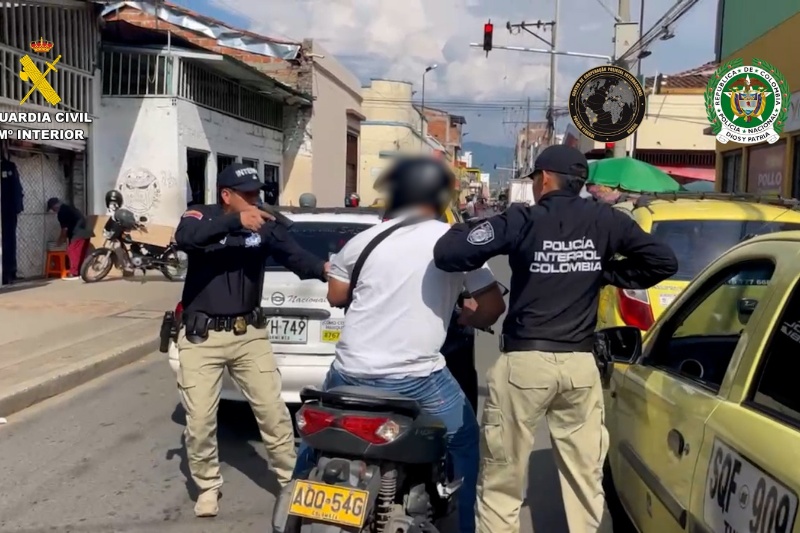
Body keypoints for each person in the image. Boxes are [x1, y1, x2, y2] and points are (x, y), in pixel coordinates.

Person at [432, 145, 679, 533]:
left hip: (524, 365)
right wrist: (604, 273)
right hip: (580, 367)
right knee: (585, 480)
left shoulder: (522, 220)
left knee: (502, 482)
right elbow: (663, 261)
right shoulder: (605, 220)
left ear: (544, 178)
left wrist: (466, 227)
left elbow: (449, 252)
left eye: (534, 178)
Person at [289, 156, 506, 533]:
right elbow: (492, 307)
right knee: (465, 440)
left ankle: (298, 495)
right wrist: (468, 317)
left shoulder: (365, 240)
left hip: (349, 371)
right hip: (417, 379)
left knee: (315, 440)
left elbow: (336, 295)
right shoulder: (455, 243)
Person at [173, 163, 330, 518]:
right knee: (199, 421)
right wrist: (235, 221)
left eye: (257, 193)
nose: (255, 200)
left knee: (273, 414)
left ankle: (291, 482)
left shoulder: (265, 225)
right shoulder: (200, 216)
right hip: (202, 336)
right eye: (247, 195)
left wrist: (325, 270)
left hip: (249, 336)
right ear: (226, 195)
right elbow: (186, 239)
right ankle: (208, 486)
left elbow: (296, 257)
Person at [47, 197, 92, 280]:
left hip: (78, 234)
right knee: (80, 253)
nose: (53, 211)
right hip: (85, 233)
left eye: (52, 209)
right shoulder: (69, 207)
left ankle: (74, 273)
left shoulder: (62, 212)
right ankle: (80, 272)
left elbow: (64, 229)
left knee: (72, 251)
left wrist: (60, 241)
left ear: (54, 206)